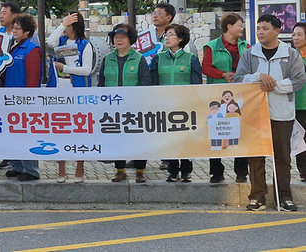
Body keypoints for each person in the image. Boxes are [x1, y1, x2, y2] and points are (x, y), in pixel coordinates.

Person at [236, 14, 305, 212]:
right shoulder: (249, 54)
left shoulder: (290, 54)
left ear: (277, 31)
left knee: (282, 157)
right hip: (255, 114)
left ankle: (284, 197)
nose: (260, 32)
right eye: (258, 28)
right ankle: (257, 197)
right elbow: (240, 78)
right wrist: (259, 77)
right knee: (256, 157)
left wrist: (274, 85)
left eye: (265, 28)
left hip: (282, 113)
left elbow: (299, 80)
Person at [0, 14, 42, 181]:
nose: (14, 30)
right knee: (12, 134)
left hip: (23, 100)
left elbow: (33, 79)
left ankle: (31, 170)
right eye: (13, 27)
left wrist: (28, 101)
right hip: (9, 98)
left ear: (27, 32)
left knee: (25, 134)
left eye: (17, 28)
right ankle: (17, 166)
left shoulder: (32, 50)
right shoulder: (13, 47)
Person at [99, 23, 152, 183]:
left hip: (134, 107)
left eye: (122, 37)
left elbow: (145, 83)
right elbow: (101, 83)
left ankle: (140, 171)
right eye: (116, 37)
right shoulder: (108, 59)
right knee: (117, 139)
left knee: (138, 139)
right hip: (113, 107)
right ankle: (120, 170)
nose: (118, 40)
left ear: (131, 39)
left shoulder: (139, 59)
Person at [149, 24, 202, 183]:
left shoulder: (191, 59)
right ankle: (172, 170)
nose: (167, 37)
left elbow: (196, 83)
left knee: (185, 138)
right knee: (169, 138)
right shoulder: (158, 58)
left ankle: (186, 170)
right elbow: (153, 82)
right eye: (166, 35)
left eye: (171, 34)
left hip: (185, 105)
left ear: (180, 39)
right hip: (164, 105)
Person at [47, 11, 94, 183]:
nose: (65, 27)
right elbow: (50, 42)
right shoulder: (61, 41)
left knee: (79, 129)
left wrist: (65, 68)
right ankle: (61, 168)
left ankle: (80, 167)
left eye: (68, 24)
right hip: (59, 88)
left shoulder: (85, 45)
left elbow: (86, 70)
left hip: (77, 89)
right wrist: (62, 25)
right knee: (61, 128)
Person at [203, 12, 249, 184]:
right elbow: (206, 67)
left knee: (240, 131)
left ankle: (241, 171)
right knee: (216, 131)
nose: (242, 28)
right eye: (239, 25)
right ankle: (216, 172)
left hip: (240, 93)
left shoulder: (246, 46)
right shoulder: (211, 47)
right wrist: (223, 74)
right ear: (229, 26)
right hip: (217, 93)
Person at [293, 22, 306, 182]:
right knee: (299, 138)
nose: (295, 38)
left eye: (299, 34)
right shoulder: (290, 56)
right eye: (293, 35)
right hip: (297, 103)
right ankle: (303, 171)